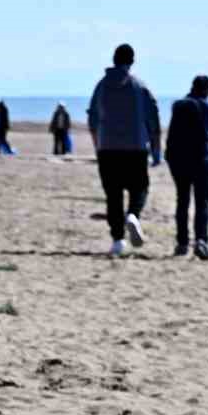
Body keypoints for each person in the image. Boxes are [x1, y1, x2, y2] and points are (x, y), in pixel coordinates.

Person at [86, 43, 161, 258]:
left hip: (107, 148)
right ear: (132, 61)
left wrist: (98, 145)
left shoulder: (101, 86)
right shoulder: (139, 86)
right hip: (135, 148)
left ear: (114, 60)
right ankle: (133, 215)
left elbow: (92, 120)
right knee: (140, 187)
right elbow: (153, 119)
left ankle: (118, 240)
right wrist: (156, 149)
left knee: (113, 194)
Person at [166, 75, 208, 260]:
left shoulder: (178, 105)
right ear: (207, 90)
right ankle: (201, 240)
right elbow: (207, 136)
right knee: (202, 202)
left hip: (178, 159)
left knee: (182, 200)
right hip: (200, 160)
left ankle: (182, 243)